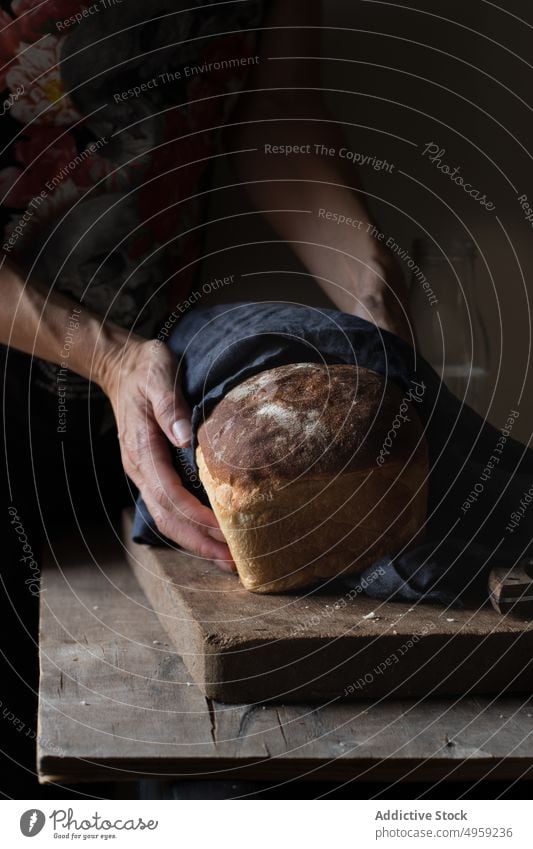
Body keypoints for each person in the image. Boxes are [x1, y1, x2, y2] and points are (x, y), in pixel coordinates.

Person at [0, 0, 407, 794]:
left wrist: (371, 297)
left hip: (151, 380)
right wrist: (106, 357)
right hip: (49, 361)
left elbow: (277, 106)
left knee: (154, 735)